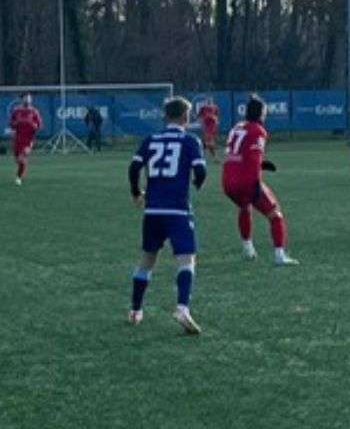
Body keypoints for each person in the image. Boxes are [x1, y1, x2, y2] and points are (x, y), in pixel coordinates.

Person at [126, 97, 207, 334]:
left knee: (147, 258)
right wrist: (197, 183)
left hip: (153, 209)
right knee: (187, 259)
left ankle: (135, 310)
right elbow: (200, 171)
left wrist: (136, 192)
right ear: (185, 117)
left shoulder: (151, 140)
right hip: (178, 209)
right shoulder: (191, 141)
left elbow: (133, 168)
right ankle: (182, 308)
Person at [221, 96, 298, 266]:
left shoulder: (237, 127)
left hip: (227, 181)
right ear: (261, 113)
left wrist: (261, 164)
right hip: (246, 180)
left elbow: (238, 154)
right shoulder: (258, 130)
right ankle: (280, 255)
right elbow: (253, 159)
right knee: (275, 215)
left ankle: (248, 248)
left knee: (244, 207)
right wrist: (256, 182)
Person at [9, 93, 43, 186]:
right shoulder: (16, 111)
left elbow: (39, 125)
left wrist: (34, 125)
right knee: (17, 160)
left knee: (21, 158)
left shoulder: (34, 111)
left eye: (29, 98)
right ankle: (21, 171)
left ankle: (18, 178)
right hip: (17, 139)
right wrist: (17, 123)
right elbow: (11, 124)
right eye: (25, 98)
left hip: (28, 140)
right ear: (22, 99)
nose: (27, 100)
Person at [196, 96, 221, 162]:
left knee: (209, 142)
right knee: (208, 142)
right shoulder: (203, 108)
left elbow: (217, 115)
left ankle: (209, 156)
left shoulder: (215, 107)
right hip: (207, 126)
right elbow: (199, 116)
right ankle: (214, 157)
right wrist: (201, 121)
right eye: (208, 100)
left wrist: (216, 121)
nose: (209, 102)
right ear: (206, 101)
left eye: (210, 100)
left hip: (212, 126)